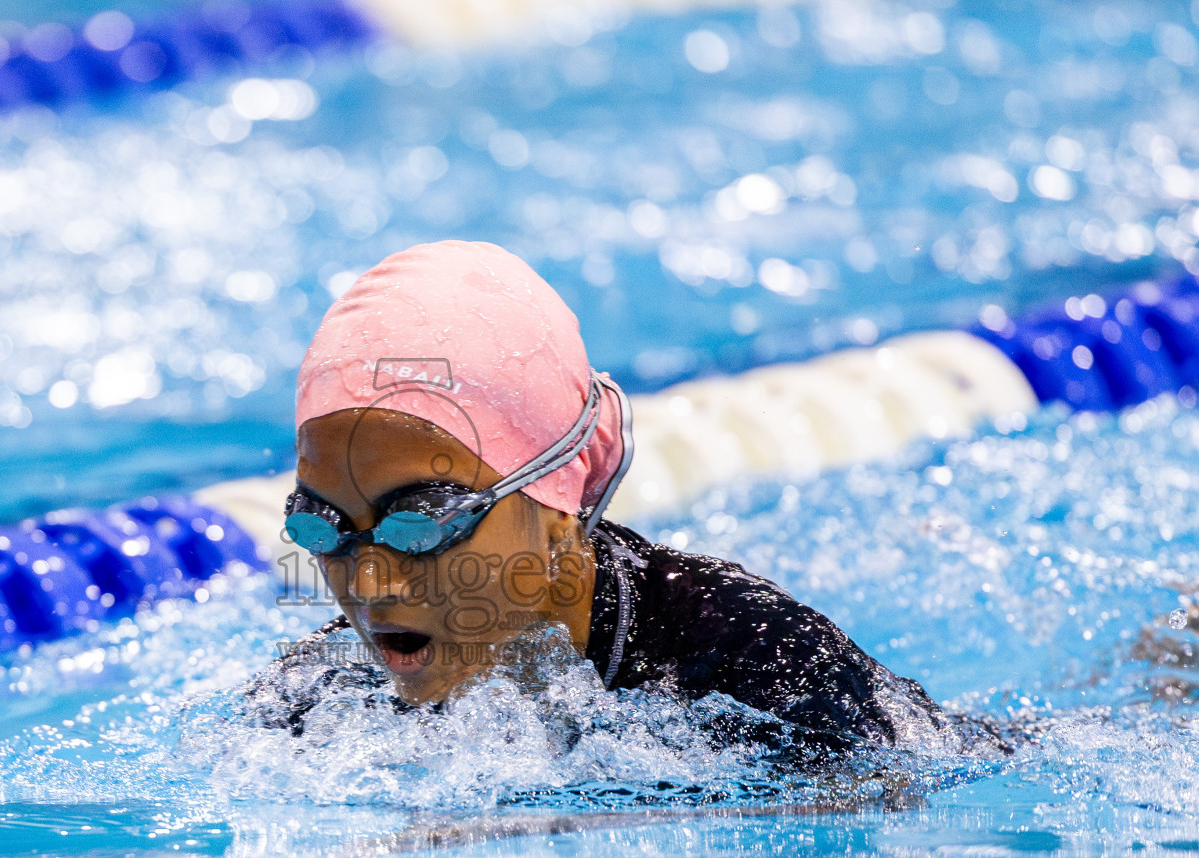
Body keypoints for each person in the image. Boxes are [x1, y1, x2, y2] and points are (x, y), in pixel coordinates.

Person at [258, 239, 948, 753]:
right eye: (323, 528)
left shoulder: (756, 661)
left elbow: (889, 802)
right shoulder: (320, 694)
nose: (368, 585)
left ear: (562, 507)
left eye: (421, 525)